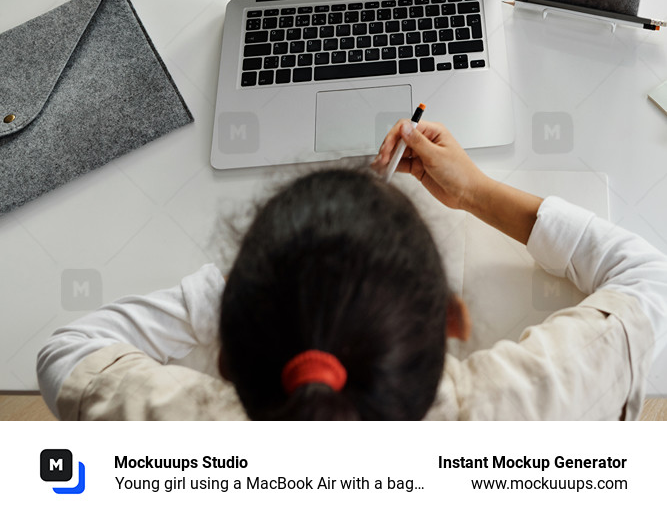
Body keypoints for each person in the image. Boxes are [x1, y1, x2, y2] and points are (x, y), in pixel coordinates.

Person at [37, 119, 667, 420]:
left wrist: (270, 277)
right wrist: (474, 192)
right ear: (453, 320)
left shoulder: (182, 436)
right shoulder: (520, 409)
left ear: (227, 358)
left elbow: (67, 352)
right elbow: (648, 278)